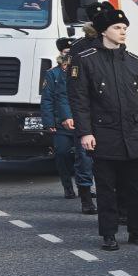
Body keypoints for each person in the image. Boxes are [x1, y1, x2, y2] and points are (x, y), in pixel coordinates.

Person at [69, 1, 138, 251]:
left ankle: (136, 231)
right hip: (104, 134)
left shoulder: (134, 61)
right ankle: (108, 234)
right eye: (117, 27)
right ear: (103, 31)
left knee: (134, 188)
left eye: (124, 28)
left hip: (134, 133)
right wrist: (85, 132)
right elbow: (79, 100)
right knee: (106, 188)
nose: (122, 31)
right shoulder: (85, 60)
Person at [40, 38, 97, 212]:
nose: (69, 55)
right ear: (61, 53)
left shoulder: (82, 70)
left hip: (82, 123)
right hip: (61, 124)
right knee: (62, 154)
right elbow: (48, 99)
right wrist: (49, 122)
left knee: (85, 157)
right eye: (66, 52)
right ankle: (67, 186)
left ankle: (84, 189)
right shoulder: (53, 74)